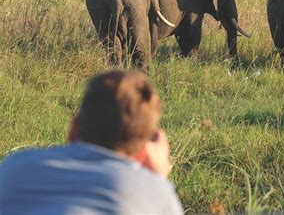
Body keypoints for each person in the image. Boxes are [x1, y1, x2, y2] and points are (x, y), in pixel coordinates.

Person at [0, 70, 183, 215]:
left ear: (73, 130)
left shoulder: (15, 165)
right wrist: (157, 178)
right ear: (145, 150)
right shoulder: (154, 193)